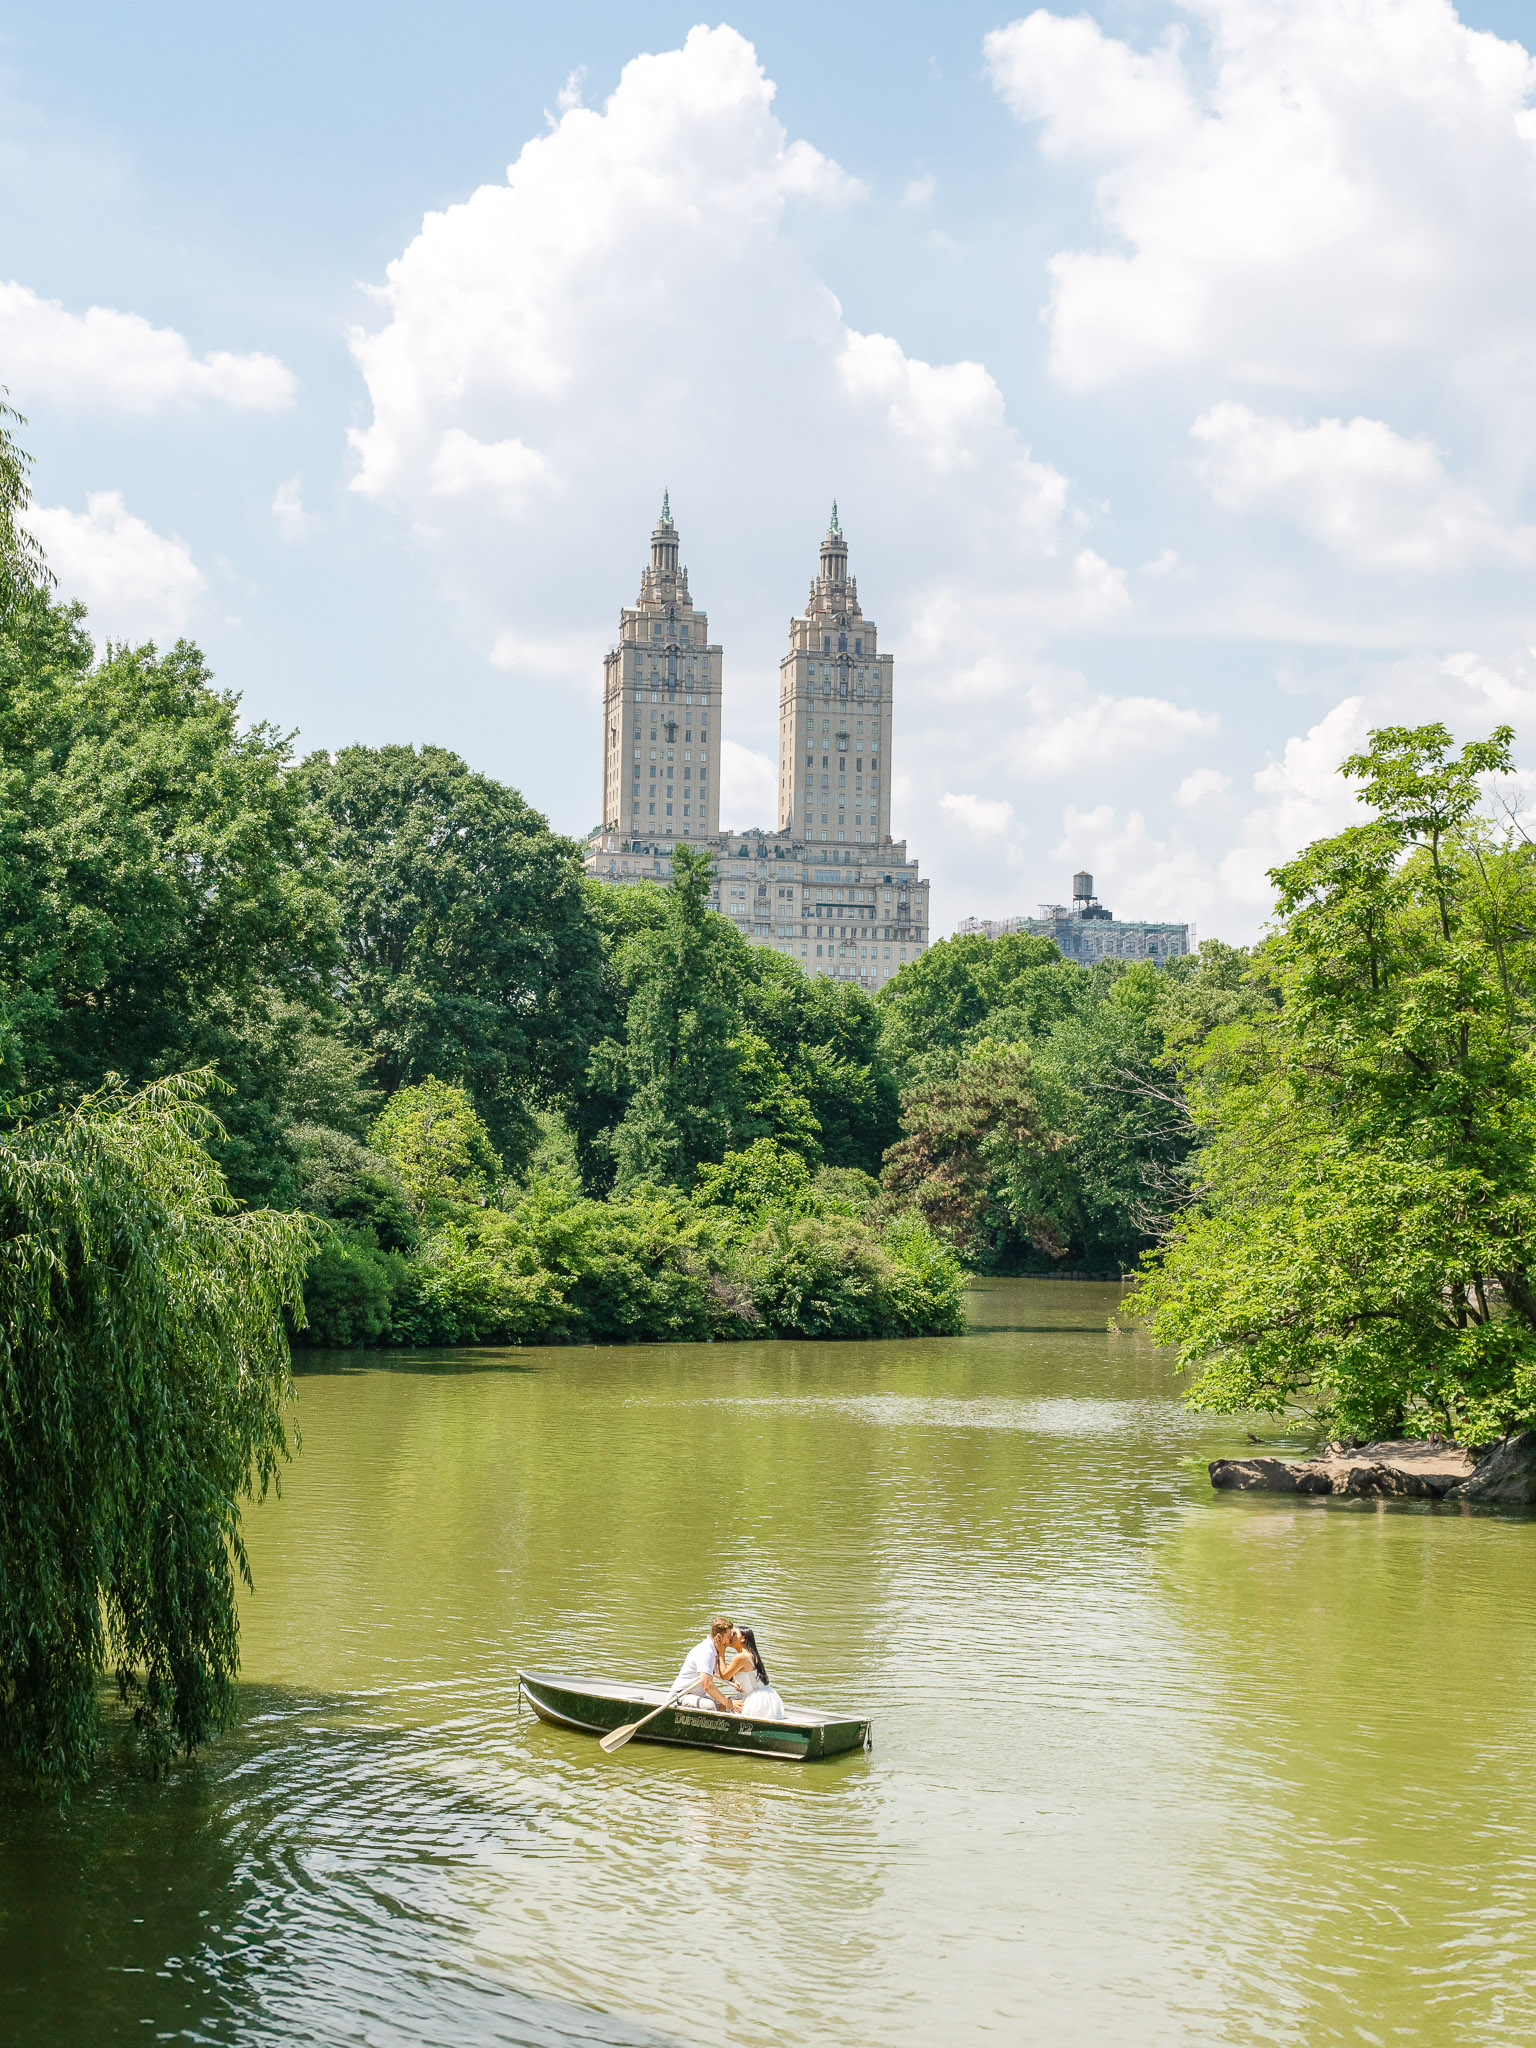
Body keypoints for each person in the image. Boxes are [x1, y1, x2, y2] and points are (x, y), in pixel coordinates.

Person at [718, 1625, 786, 1721]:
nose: (731, 1637)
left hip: (756, 1700)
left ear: (743, 1638)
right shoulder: (752, 1654)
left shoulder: (741, 1657)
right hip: (766, 1696)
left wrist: (721, 1653)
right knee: (726, 1702)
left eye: (734, 1634)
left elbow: (724, 1675)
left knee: (721, 1707)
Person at [671, 1617, 739, 1712]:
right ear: (719, 1637)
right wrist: (728, 1702)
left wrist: (734, 1681)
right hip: (681, 1695)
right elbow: (706, 1684)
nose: (730, 1640)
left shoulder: (715, 1650)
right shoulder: (706, 1651)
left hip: (698, 1695)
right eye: (728, 1636)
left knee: (724, 1706)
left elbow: (717, 1673)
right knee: (709, 1706)